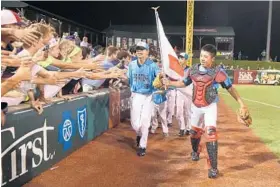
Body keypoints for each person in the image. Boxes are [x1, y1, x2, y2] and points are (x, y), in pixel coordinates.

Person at [161, 44, 250, 178]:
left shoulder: (218, 73)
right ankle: (196, 151)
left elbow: (230, 88)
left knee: (211, 134)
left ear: (212, 59)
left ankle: (213, 168)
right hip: (196, 106)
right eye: (201, 55)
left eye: (206, 56)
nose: (202, 58)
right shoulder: (193, 70)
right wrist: (170, 83)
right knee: (194, 134)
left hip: (210, 106)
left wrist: (242, 104)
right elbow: (184, 83)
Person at [126, 41, 160, 157]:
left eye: (142, 49)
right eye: (138, 49)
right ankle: (139, 133)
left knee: (145, 121)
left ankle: (142, 146)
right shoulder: (132, 65)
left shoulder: (153, 65)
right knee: (135, 124)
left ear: (147, 52)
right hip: (136, 94)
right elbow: (129, 79)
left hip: (148, 95)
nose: (139, 51)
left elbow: (160, 78)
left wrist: (162, 78)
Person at [176, 53, 192, 136]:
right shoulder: (176, 69)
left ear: (186, 60)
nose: (180, 59)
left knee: (188, 112)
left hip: (188, 92)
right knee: (178, 112)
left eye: (182, 58)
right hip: (179, 92)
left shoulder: (190, 70)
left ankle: (188, 128)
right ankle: (182, 127)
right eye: (179, 58)